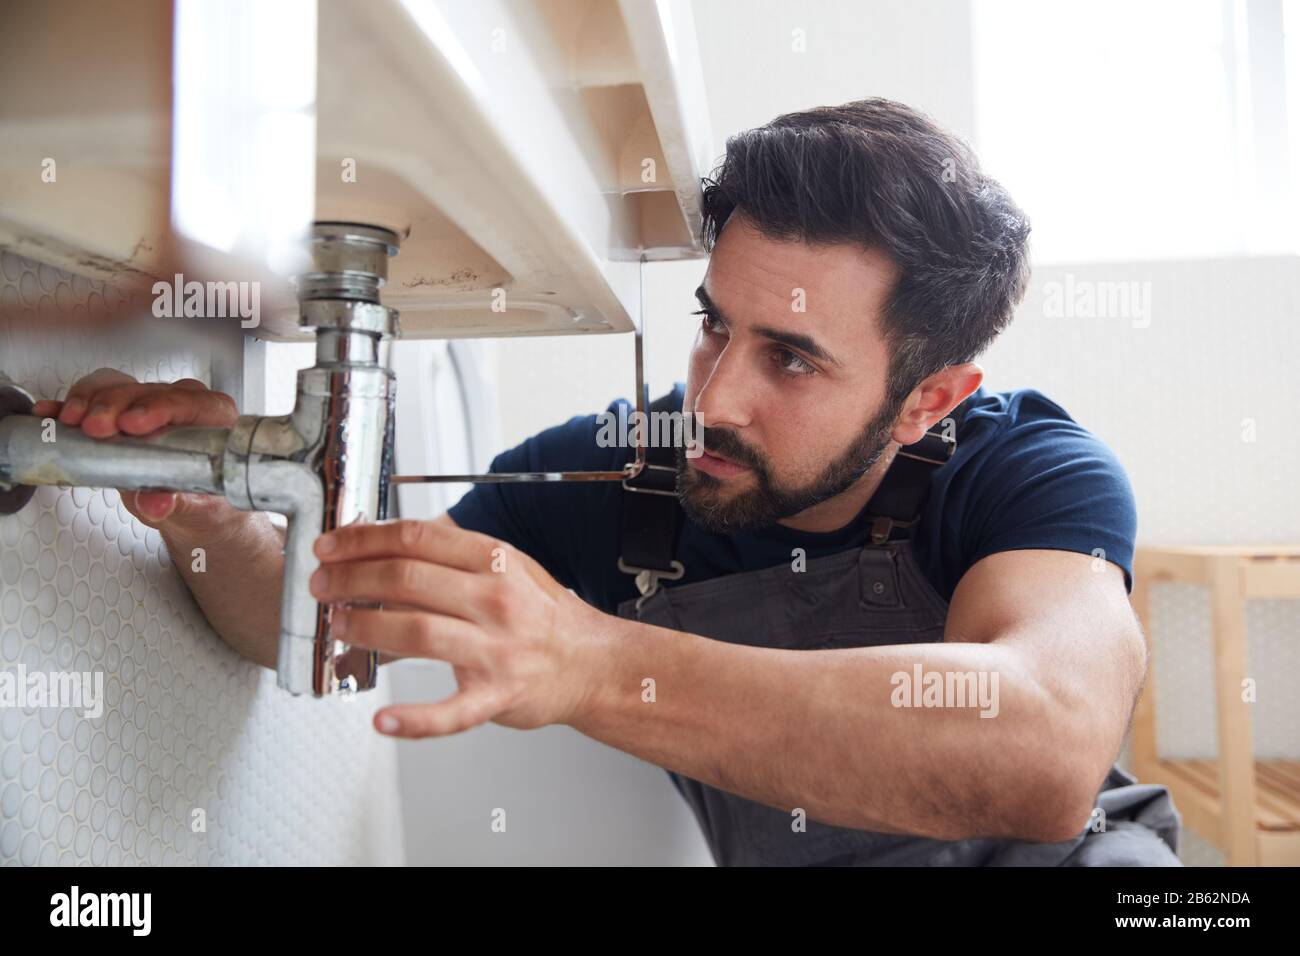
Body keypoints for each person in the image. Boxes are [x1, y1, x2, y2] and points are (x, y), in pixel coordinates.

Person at [35, 98, 1181, 866]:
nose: (716, 397)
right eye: (711, 327)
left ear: (929, 396)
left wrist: (589, 660)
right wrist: (206, 507)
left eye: (788, 358)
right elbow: (340, 616)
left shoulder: (1028, 468)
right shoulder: (622, 475)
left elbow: (1041, 748)